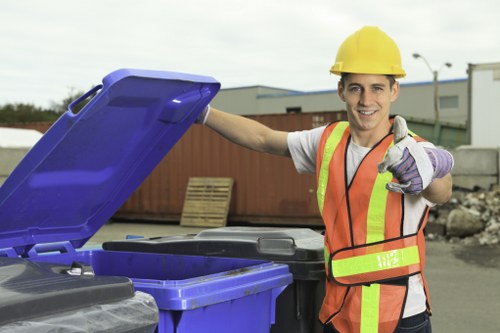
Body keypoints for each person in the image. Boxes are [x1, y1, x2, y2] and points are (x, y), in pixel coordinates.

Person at [196, 26, 453, 333]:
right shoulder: (327, 141)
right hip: (339, 312)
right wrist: (203, 113)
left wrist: (431, 167)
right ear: (341, 90)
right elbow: (262, 138)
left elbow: (442, 191)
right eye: (356, 87)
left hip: (399, 316)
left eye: (377, 88)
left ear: (394, 91)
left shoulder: (410, 148)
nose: (366, 100)